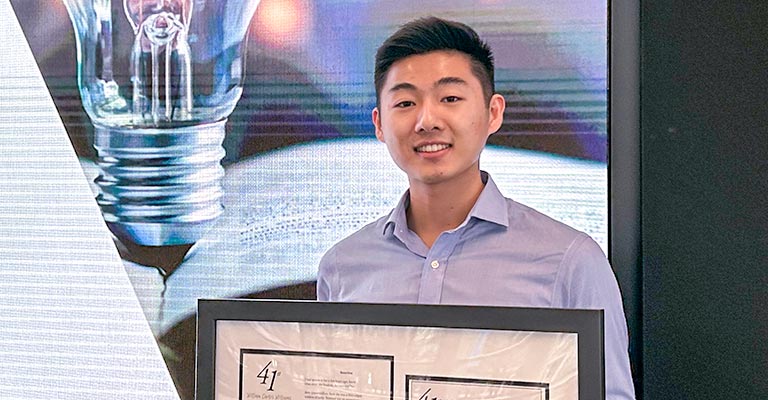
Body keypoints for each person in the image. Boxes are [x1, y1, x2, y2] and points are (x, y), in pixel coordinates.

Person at [316, 16, 635, 399]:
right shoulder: (342, 266)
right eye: (405, 102)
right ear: (379, 124)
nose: (426, 120)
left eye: (450, 98)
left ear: (493, 113)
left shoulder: (570, 261)